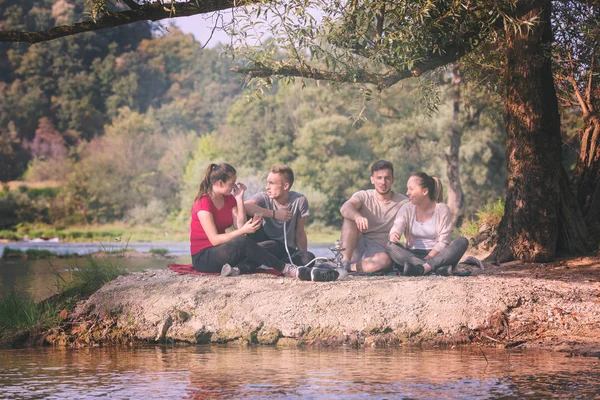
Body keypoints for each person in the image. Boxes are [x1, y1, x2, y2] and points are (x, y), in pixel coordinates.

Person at [190, 163, 338, 282]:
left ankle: (237, 270)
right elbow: (215, 239)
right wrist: (243, 231)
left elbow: (240, 226)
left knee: (271, 246)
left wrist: (239, 199)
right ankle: (287, 269)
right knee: (242, 240)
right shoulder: (203, 203)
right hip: (205, 257)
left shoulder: (229, 199)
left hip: (222, 254)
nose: (235, 186)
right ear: (221, 183)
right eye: (232, 183)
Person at [385, 172, 469, 276]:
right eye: (408, 189)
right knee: (389, 245)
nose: (407, 193)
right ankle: (435, 269)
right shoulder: (406, 208)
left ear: (424, 191)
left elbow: (444, 242)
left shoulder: (442, 210)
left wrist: (428, 259)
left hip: (437, 255)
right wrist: (394, 235)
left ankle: (420, 268)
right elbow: (397, 227)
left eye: (411, 189)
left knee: (462, 242)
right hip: (411, 255)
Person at [339, 160, 408, 273]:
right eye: (379, 178)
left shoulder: (404, 202)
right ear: (372, 179)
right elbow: (345, 207)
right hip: (358, 244)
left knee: (383, 261)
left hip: (381, 251)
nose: (383, 182)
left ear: (392, 180)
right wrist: (357, 217)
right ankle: (344, 261)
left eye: (387, 178)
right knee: (349, 217)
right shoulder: (363, 196)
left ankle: (349, 268)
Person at [244, 165, 316, 267]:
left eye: (271, 183)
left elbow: (300, 232)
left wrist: (303, 255)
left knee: (309, 258)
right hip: (265, 246)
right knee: (250, 215)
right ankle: (261, 261)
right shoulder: (264, 197)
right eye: (267, 182)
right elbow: (245, 206)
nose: (267, 187)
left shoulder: (299, 200)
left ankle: (274, 264)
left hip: (284, 250)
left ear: (285, 186)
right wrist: (274, 214)